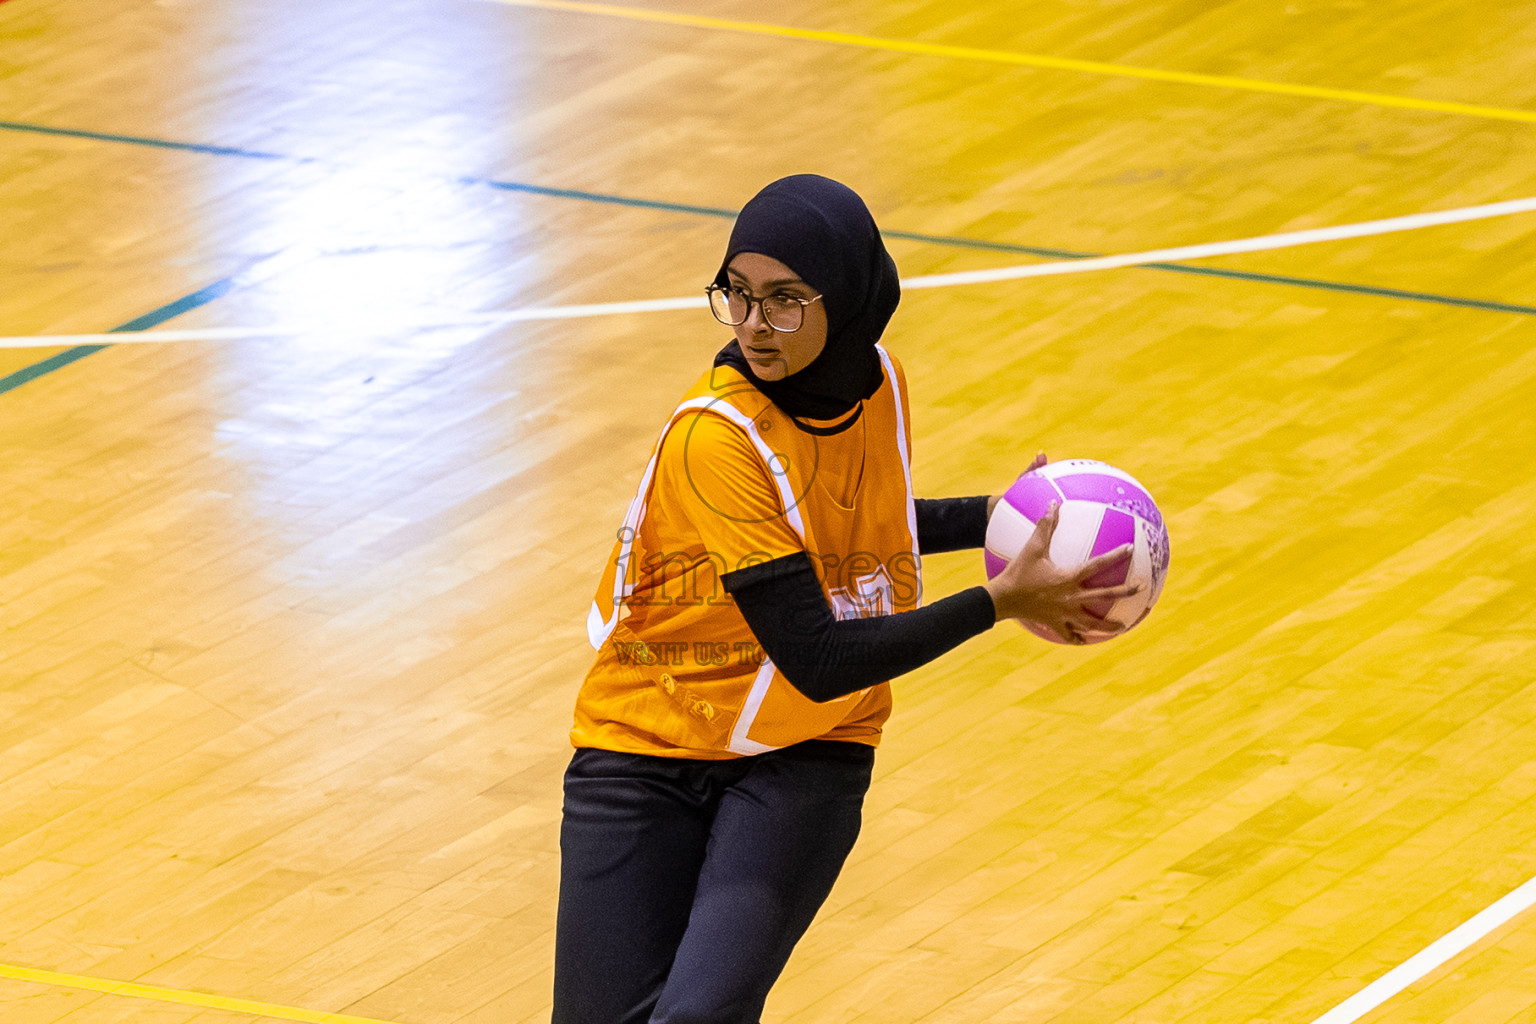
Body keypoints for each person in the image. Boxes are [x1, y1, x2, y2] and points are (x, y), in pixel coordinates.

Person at [554, 174, 1136, 1024]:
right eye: (737, 294)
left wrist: (998, 516)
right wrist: (999, 600)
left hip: (807, 753)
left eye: (785, 300)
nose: (754, 325)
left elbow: (857, 524)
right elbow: (818, 656)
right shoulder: (714, 439)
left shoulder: (878, 384)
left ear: (850, 300)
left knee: (698, 1016)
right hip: (646, 746)